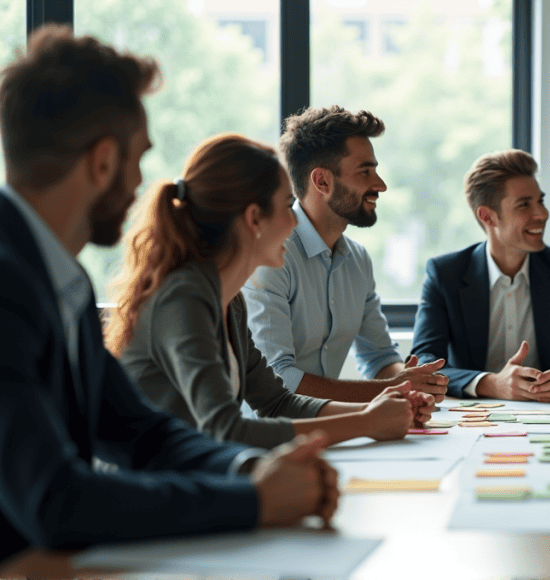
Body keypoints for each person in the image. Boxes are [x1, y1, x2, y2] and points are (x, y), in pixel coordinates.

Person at [0, 26, 336, 559]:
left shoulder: (62, 281)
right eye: (137, 158)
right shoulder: (8, 285)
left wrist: (252, 469)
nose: (140, 182)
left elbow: (141, 433)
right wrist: (250, 500)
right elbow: (55, 500)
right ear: (103, 161)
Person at [105, 133, 434, 450]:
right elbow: (225, 430)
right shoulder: (184, 298)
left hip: (198, 483)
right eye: (287, 206)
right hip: (155, 493)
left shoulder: (229, 301)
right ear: (254, 219)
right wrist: (367, 422)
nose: (294, 222)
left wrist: (383, 410)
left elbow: (278, 402)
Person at [242, 106, 448, 403]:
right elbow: (280, 379)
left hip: (329, 428)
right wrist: (390, 389)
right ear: (322, 181)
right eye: (365, 171)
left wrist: (413, 385)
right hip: (269, 437)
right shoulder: (271, 257)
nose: (380, 185)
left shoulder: (358, 260)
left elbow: (379, 358)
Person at [411, 149, 550, 400]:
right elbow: (423, 366)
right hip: (473, 416)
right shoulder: (445, 273)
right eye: (524, 204)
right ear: (487, 216)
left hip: (549, 416)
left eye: (540, 201)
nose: (542, 214)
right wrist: (490, 384)